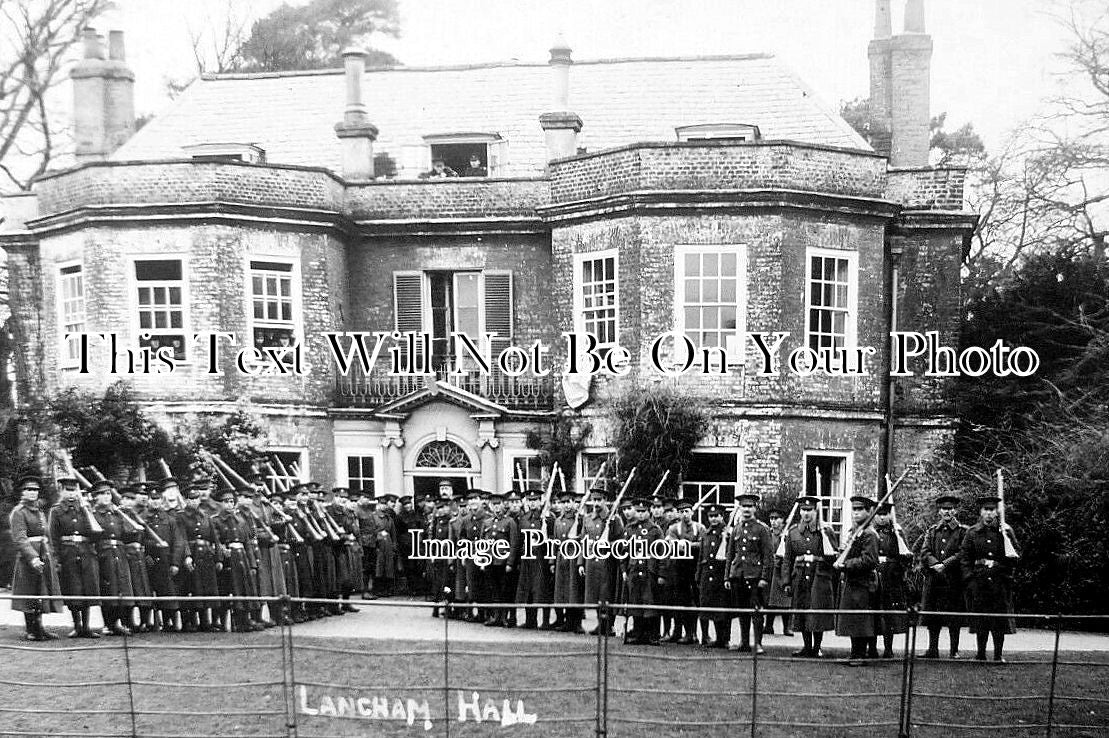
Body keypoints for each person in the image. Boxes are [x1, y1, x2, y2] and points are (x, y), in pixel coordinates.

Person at [959, 494, 1021, 663]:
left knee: (999, 621)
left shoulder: (1006, 531)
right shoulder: (972, 532)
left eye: (991, 510)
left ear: (997, 512)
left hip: (999, 582)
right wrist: (969, 579)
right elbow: (965, 558)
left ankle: (998, 655)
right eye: (985, 510)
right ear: (980, 512)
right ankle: (980, 654)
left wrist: (1006, 573)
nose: (988, 514)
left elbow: (1015, 557)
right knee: (981, 619)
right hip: (979, 582)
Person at [779, 496, 837, 658]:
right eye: (803, 510)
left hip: (819, 578)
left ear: (815, 511)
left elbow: (833, 557)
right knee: (802, 611)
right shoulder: (793, 532)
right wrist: (786, 582)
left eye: (809, 510)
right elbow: (787, 559)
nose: (806, 513)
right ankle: (806, 646)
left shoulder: (826, 531)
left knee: (816, 612)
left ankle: (817, 647)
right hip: (800, 577)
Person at [9, 475, 63, 640]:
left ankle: (39, 627)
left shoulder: (39, 511)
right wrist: (32, 557)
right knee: (29, 591)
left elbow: (47, 536)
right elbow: (20, 538)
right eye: (28, 490)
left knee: (41, 589)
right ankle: (31, 630)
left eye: (35, 490)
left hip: (43, 554)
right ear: (22, 492)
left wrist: (51, 556)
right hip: (28, 557)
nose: (32, 493)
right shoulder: (18, 512)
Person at [48, 476, 102, 638]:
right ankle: (77, 625)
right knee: (73, 589)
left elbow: (96, 534)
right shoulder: (56, 511)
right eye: (67, 490)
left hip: (86, 552)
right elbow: (53, 537)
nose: (71, 494)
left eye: (73, 490)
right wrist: (56, 559)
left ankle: (86, 626)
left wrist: (88, 511)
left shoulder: (85, 509)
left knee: (86, 589)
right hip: (67, 553)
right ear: (62, 491)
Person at [915, 494, 968, 659]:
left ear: (955, 510)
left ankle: (954, 650)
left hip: (953, 580)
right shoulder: (932, 531)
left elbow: (963, 552)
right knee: (932, 616)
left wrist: (945, 564)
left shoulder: (962, 531)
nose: (947, 512)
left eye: (950, 509)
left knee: (954, 617)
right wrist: (934, 563)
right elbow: (924, 551)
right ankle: (932, 649)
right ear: (939, 511)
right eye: (944, 509)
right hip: (934, 580)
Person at [724, 493, 773, 654]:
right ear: (739, 508)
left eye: (749, 506)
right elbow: (730, 554)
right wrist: (727, 576)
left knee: (756, 611)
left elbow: (768, 556)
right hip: (738, 575)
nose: (746, 509)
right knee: (742, 611)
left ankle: (758, 643)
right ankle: (744, 642)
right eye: (743, 506)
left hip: (755, 576)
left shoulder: (762, 529)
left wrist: (764, 577)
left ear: (755, 508)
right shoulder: (736, 529)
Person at [834, 496, 880, 666]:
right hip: (852, 582)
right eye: (854, 509)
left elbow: (869, 560)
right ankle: (855, 653)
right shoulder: (855, 532)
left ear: (868, 512)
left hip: (863, 583)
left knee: (861, 621)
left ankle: (859, 655)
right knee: (853, 620)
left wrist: (845, 564)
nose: (856, 513)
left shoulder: (869, 534)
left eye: (860, 509)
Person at [90, 480, 137, 636]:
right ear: (96, 497)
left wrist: (129, 516)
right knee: (108, 588)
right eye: (102, 493)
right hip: (103, 553)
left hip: (119, 552)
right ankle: (108, 624)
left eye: (108, 493)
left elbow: (128, 532)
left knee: (121, 587)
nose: (106, 496)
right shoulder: (93, 514)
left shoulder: (118, 513)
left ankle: (118, 623)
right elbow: (92, 534)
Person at [177, 480, 222, 633]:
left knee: (205, 588)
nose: (194, 501)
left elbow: (214, 539)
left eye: (196, 498)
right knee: (190, 588)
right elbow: (181, 538)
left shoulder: (205, 516)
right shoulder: (181, 517)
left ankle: (205, 621)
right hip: (192, 555)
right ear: (185, 499)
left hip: (206, 556)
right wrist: (187, 556)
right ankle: (189, 622)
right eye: (191, 498)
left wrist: (219, 558)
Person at [580, 487, 623, 637]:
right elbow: (583, 541)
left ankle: (607, 625)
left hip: (607, 562)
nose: (596, 503)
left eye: (599, 500)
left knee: (606, 594)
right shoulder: (588, 519)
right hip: (591, 562)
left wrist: (608, 545)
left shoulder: (614, 519)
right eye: (594, 500)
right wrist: (581, 562)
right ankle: (596, 624)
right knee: (593, 595)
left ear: (605, 501)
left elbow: (620, 542)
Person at [622, 498, 664, 645]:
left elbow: (662, 553)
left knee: (649, 602)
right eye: (638, 511)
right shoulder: (629, 529)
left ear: (649, 511)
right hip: (634, 571)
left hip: (649, 571)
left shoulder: (655, 530)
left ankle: (652, 635)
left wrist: (661, 574)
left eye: (643, 511)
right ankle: (637, 633)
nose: (640, 514)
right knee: (635, 602)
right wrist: (624, 570)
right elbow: (624, 553)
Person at [141, 482, 182, 632]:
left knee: (168, 592)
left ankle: (169, 622)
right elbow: (139, 540)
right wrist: (147, 553)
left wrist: (175, 563)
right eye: (152, 499)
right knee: (146, 592)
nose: (155, 501)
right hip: (149, 562)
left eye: (158, 498)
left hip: (166, 562)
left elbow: (178, 541)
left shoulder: (170, 519)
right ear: (148, 500)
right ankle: (146, 622)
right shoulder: (142, 518)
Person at [873, 503, 913, 658]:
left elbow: (907, 556)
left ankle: (888, 648)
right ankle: (872, 648)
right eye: (879, 514)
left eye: (885, 514)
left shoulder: (896, 532)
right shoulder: (870, 532)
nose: (882, 517)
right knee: (874, 612)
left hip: (892, 577)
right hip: (874, 575)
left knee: (889, 614)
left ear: (890, 515)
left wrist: (898, 537)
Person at [664, 498, 701, 644]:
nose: (684, 514)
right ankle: (681, 631)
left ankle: (694, 633)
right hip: (678, 569)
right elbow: (672, 543)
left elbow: (703, 544)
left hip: (695, 568)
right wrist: (681, 544)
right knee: (680, 600)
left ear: (692, 512)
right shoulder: (674, 529)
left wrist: (688, 544)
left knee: (696, 601)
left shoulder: (700, 528)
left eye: (687, 511)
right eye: (681, 512)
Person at [515, 489, 554, 630]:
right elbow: (519, 540)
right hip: (527, 560)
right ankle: (530, 620)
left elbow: (551, 540)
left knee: (543, 590)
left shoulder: (548, 518)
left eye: (535, 500)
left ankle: (545, 621)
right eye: (530, 500)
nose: (533, 503)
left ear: (540, 501)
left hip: (541, 559)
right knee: (527, 589)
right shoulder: (523, 519)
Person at [696, 505, 732, 648]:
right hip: (707, 574)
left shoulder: (727, 532)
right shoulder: (706, 534)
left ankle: (725, 639)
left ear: (722, 516)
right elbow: (701, 557)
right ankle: (717, 638)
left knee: (723, 608)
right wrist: (698, 575)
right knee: (710, 607)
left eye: (717, 515)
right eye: (711, 516)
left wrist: (727, 538)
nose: (714, 519)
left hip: (720, 575)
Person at [481, 492, 519, 627]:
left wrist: (510, 562)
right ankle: (496, 617)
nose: (497, 508)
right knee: (493, 590)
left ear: (504, 505)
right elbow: (483, 544)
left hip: (503, 562)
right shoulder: (487, 522)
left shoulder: (510, 522)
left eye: (499, 504)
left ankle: (504, 617)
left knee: (505, 590)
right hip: (491, 562)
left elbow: (514, 544)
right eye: (494, 505)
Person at [552, 491, 585, 633]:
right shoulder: (558, 521)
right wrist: (552, 562)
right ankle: (566, 621)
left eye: (569, 502)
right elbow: (554, 542)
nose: (566, 505)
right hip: (561, 558)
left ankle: (576, 623)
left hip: (574, 557)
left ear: (574, 503)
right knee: (563, 591)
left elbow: (583, 539)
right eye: (563, 502)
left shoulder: (581, 520)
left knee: (575, 591)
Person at [764, 508, 793, 636]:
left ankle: (787, 627)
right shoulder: (767, 534)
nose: (773, 521)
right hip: (770, 569)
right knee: (769, 600)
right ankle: (768, 626)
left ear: (783, 520)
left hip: (783, 570)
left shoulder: (787, 535)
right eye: (771, 518)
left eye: (777, 519)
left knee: (785, 599)